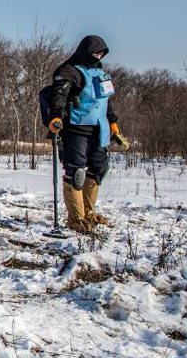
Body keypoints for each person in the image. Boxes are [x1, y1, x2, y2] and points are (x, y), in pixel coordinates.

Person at [47, 35, 128, 234]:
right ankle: (76, 218)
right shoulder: (69, 71)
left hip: (99, 129)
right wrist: (56, 117)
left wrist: (114, 124)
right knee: (76, 173)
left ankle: (88, 213)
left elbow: (106, 101)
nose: (98, 56)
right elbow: (58, 95)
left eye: (101, 53)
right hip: (76, 128)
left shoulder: (100, 73)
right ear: (85, 51)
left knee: (99, 169)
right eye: (95, 52)